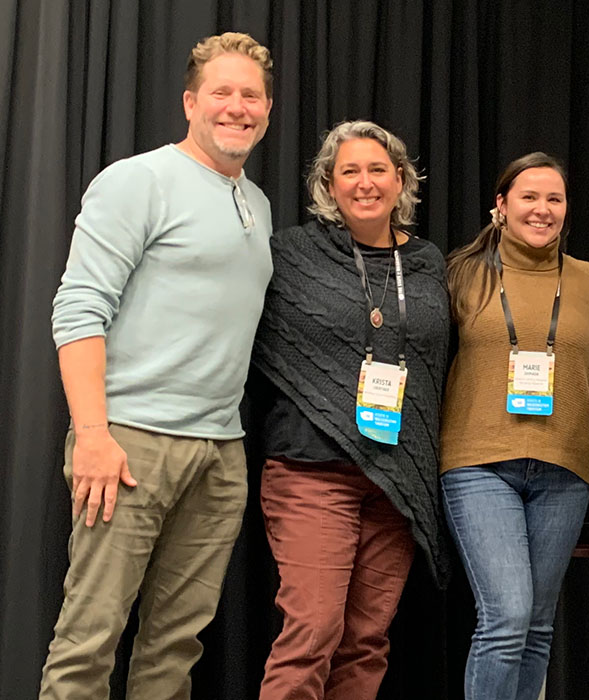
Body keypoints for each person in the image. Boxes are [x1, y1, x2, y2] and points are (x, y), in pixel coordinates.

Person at [40, 32, 274, 699]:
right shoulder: (137, 180)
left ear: (267, 109)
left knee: (175, 648)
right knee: (88, 641)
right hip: (129, 444)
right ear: (190, 102)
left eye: (250, 95)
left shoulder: (254, 204)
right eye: (222, 93)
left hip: (220, 455)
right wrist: (92, 435)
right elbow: (78, 310)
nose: (237, 107)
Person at [248, 120, 450, 700]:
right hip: (312, 471)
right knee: (312, 631)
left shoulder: (429, 262)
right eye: (350, 171)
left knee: (366, 640)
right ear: (329, 186)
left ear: (401, 180)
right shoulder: (291, 255)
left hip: (395, 480)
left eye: (378, 169)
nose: (365, 183)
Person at [440, 152, 589, 700]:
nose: (542, 210)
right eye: (529, 197)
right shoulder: (461, 274)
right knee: (507, 616)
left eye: (554, 199)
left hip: (566, 467)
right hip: (478, 464)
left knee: (538, 627)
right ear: (501, 206)